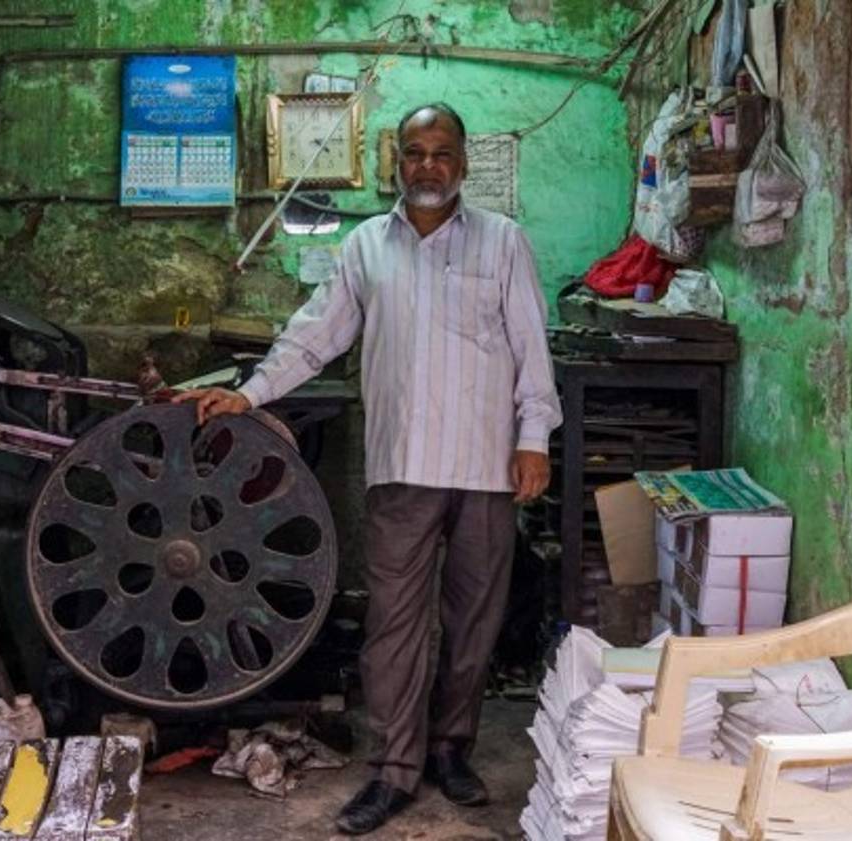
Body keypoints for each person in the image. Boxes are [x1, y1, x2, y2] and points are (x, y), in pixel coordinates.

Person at [176, 102, 562, 835]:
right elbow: (314, 336)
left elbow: (530, 346)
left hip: (487, 463)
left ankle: (451, 750)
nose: (427, 165)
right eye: (414, 152)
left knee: (473, 622)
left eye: (441, 152)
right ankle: (393, 769)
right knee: (393, 625)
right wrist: (251, 391)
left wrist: (533, 434)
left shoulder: (504, 243)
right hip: (401, 464)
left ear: (463, 162)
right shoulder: (364, 249)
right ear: (396, 160)